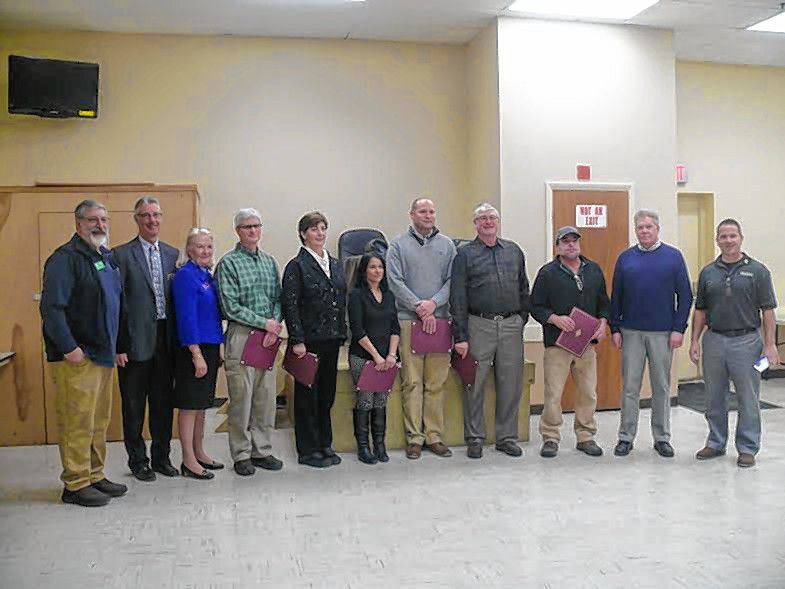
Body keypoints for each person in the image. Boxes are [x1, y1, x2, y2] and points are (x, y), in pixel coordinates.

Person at [40, 199, 127, 507]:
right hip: (78, 356)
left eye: (104, 219)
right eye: (92, 220)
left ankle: (94, 474)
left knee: (98, 420)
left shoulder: (105, 256)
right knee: (78, 420)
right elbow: (51, 308)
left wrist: (118, 347)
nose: (99, 225)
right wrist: (69, 347)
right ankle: (75, 483)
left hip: (103, 355)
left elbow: (114, 304)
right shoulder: (65, 259)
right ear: (78, 224)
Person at [689, 218, 780, 468]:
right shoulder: (708, 272)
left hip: (747, 342)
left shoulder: (758, 271)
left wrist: (769, 345)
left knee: (748, 397)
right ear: (717, 240)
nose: (728, 240)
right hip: (715, 341)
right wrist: (695, 341)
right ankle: (716, 442)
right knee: (713, 396)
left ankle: (747, 447)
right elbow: (700, 310)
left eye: (733, 236)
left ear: (741, 238)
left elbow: (768, 311)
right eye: (723, 236)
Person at [610, 209, 693, 458]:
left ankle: (662, 437)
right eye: (640, 227)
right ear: (635, 230)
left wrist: (679, 329)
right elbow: (617, 297)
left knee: (661, 387)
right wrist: (615, 328)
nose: (644, 231)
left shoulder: (673, 257)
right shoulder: (625, 258)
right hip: (631, 332)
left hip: (663, 333)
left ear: (657, 229)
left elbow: (686, 296)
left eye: (649, 227)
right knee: (630, 388)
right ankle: (626, 436)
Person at [450, 203, 530, 459]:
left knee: (511, 383)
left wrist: (521, 319)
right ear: (475, 224)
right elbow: (458, 297)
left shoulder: (514, 251)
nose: (487, 222)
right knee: (474, 382)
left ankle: (506, 437)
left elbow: (523, 288)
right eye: (482, 218)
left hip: (511, 325)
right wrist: (460, 335)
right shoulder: (464, 254)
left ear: (499, 221)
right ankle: (474, 437)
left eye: (491, 218)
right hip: (478, 325)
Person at [113, 196, 179, 481]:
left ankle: (161, 458)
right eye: (145, 216)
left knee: (163, 405)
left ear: (162, 218)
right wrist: (118, 345)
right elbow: (114, 303)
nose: (152, 220)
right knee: (134, 406)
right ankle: (138, 461)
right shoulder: (120, 255)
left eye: (156, 215)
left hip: (166, 342)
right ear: (136, 219)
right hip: (133, 343)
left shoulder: (172, 254)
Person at [215, 208, 284, 477]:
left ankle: (262, 450)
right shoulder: (228, 263)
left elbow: (278, 298)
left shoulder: (269, 262)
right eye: (247, 227)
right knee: (242, 399)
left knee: (266, 398)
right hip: (242, 336)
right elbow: (229, 307)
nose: (253, 231)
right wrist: (263, 323)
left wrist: (275, 324)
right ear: (237, 231)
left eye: (256, 226)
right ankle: (242, 454)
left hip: (268, 337)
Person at [530, 226, 610, 458]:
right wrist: (554, 319)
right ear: (557, 247)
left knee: (588, 392)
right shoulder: (547, 273)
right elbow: (535, 306)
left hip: (586, 345)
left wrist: (603, 323)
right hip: (557, 345)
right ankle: (551, 437)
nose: (571, 245)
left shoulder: (593, 270)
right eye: (565, 242)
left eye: (574, 241)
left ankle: (586, 436)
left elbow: (604, 302)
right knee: (553, 393)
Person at [387, 197, 457, 459]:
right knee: (412, 382)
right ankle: (414, 438)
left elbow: (453, 280)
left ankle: (434, 436)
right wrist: (419, 306)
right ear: (412, 215)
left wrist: (433, 304)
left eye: (431, 211)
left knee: (436, 383)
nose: (428, 215)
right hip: (409, 321)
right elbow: (394, 281)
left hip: (439, 321)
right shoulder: (397, 246)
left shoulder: (448, 245)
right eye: (422, 211)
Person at [281, 211, 347, 468]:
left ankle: (324, 444)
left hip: (331, 338)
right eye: (314, 229)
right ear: (303, 234)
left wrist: (342, 330)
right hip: (307, 342)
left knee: (326, 395)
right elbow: (291, 304)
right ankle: (308, 450)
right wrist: (296, 339)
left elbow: (341, 299)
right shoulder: (296, 266)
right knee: (308, 396)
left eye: (323, 228)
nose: (320, 233)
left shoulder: (335, 263)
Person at [171, 228, 225, 480]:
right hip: (193, 349)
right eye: (200, 247)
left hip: (211, 346)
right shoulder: (185, 276)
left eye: (209, 247)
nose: (205, 251)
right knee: (190, 406)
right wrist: (196, 353)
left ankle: (200, 451)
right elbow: (186, 317)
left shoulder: (206, 276)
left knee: (202, 405)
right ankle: (188, 460)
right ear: (189, 250)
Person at [347, 253, 401, 464]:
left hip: (387, 358)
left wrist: (390, 355)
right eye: (372, 267)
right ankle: (363, 447)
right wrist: (376, 357)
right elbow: (358, 331)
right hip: (364, 357)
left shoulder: (389, 296)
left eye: (380, 267)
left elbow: (395, 328)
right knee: (366, 400)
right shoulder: (357, 295)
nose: (377, 271)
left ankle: (380, 444)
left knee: (381, 401)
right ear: (364, 271)